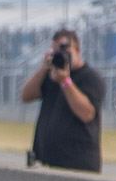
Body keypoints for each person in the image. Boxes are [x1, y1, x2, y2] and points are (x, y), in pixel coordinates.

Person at [21, 29, 105, 173]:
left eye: (65, 51)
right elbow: (26, 96)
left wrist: (65, 81)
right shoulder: (52, 75)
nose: (61, 55)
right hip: (47, 162)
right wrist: (43, 69)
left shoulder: (90, 78)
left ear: (77, 50)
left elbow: (87, 114)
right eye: (56, 52)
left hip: (77, 164)